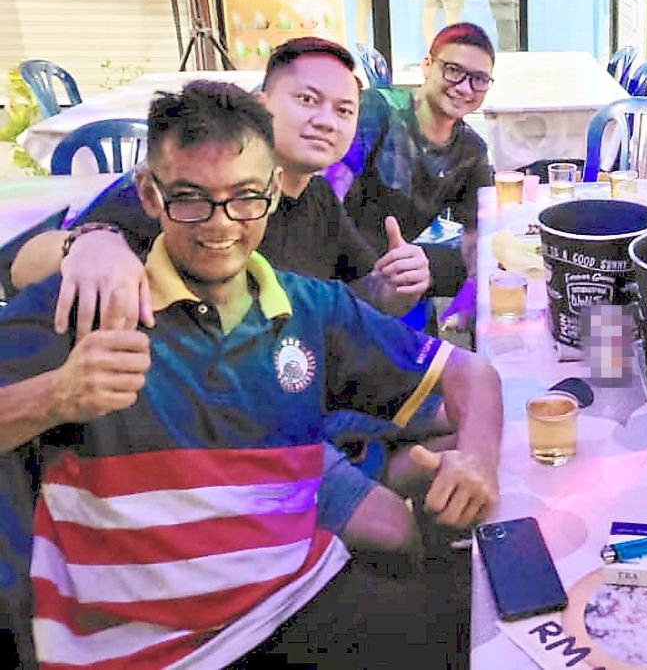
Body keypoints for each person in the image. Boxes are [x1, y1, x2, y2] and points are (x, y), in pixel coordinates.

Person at [0, 81, 502, 666]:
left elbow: (471, 373)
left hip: (301, 593)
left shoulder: (309, 307)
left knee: (494, 626)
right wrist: (54, 396)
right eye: (190, 197)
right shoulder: (88, 303)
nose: (221, 224)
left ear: (273, 190)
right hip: (151, 650)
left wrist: (479, 459)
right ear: (149, 194)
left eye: (245, 198)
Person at [8, 37, 435, 554]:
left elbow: (358, 296)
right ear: (260, 105)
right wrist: (91, 241)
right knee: (399, 519)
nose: (326, 119)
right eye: (306, 100)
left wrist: (391, 284)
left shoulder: (316, 197)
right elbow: (23, 265)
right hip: (219, 436)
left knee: (468, 423)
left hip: (302, 389)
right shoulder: (191, 186)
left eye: (343, 109)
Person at [344, 22, 494, 295]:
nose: (465, 88)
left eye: (479, 79)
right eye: (453, 70)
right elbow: (328, 193)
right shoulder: (376, 110)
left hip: (399, 259)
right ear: (427, 65)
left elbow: (477, 233)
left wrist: (473, 294)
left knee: (489, 264)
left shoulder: (471, 150)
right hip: (339, 262)